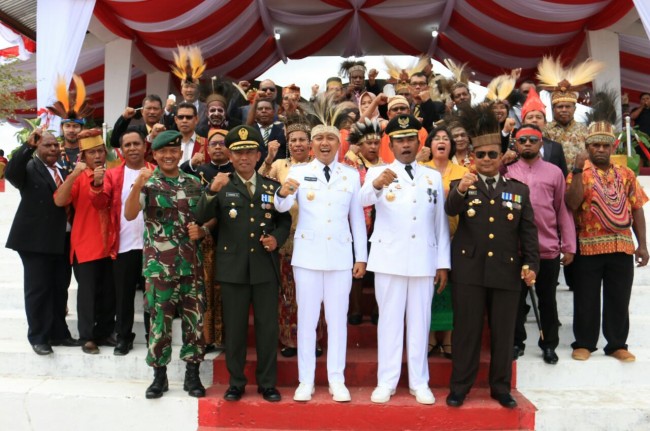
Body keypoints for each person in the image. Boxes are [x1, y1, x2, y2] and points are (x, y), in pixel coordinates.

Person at [445, 105, 539, 409]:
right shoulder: (461, 185)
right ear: (473, 157)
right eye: (481, 155)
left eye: (492, 154)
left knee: (503, 333)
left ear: (501, 157)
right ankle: (460, 387)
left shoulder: (519, 191)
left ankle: (501, 388)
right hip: (469, 271)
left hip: (506, 270)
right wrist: (461, 189)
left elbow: (528, 232)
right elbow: (450, 209)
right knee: (466, 332)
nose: (486, 159)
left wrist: (531, 264)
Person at [197, 125, 291, 403]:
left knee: (267, 329)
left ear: (259, 155)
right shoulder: (222, 185)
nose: (244, 158)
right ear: (230, 155)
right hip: (233, 269)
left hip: (264, 267)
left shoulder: (271, 187)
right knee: (235, 330)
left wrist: (276, 239)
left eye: (250, 152)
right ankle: (236, 382)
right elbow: (200, 216)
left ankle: (267, 383)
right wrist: (211, 191)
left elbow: (283, 220)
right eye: (238, 153)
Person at [360, 115, 450, 405]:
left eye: (411, 139)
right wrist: (376, 185)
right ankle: (386, 381)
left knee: (420, 322)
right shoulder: (379, 171)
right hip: (389, 258)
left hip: (424, 258)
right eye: (400, 140)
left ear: (419, 142)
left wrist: (442, 262)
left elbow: (440, 223)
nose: (406, 144)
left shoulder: (432, 176)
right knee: (389, 322)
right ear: (391, 145)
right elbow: (362, 200)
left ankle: (419, 382)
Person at [275, 121, 367, 403]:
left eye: (330, 138)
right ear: (311, 145)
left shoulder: (350, 175)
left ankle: (336, 380)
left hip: (340, 256)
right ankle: (306, 380)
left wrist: (361, 257)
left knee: (337, 321)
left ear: (339, 143)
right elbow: (281, 207)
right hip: (308, 257)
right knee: (306, 320)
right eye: (319, 138)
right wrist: (282, 193)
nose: (324, 143)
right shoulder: (299, 172)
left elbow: (357, 218)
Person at [124, 130, 208, 399]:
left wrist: (203, 230)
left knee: (195, 322)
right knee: (159, 322)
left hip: (191, 266)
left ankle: (192, 375)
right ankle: (159, 376)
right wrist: (138, 185)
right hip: (159, 267)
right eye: (163, 152)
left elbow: (208, 216)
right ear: (155, 155)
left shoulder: (194, 183)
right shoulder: (148, 182)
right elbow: (129, 213)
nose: (169, 156)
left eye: (173, 151)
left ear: (180, 153)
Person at [565, 119, 648, 362]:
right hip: (587, 246)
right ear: (587, 148)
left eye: (605, 145)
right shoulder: (578, 173)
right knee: (586, 298)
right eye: (595, 145)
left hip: (622, 246)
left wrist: (642, 245)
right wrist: (577, 170)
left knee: (619, 298)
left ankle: (617, 345)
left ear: (613, 147)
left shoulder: (626, 173)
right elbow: (572, 203)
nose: (600, 149)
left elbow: (637, 208)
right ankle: (584, 344)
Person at [505, 124, 576, 364]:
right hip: (515, 249)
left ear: (541, 144)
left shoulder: (554, 172)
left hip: (547, 248)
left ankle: (549, 345)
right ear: (516, 143)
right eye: (522, 140)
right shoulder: (507, 171)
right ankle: (516, 343)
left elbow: (562, 209)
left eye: (532, 140)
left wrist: (568, 245)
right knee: (515, 300)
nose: (527, 144)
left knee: (547, 300)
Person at [258, 118, 326, 358]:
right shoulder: (279, 165)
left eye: (302, 140)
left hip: (315, 238)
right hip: (287, 237)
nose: (298, 144)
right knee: (288, 293)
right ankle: (289, 339)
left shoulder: (319, 166)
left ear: (310, 144)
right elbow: (260, 182)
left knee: (314, 293)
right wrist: (268, 158)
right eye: (293, 140)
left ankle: (314, 339)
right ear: (288, 143)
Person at [5, 130, 77, 355]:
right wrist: (27, 146)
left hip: (63, 239)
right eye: (47, 145)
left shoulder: (63, 170)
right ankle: (38, 337)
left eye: (56, 145)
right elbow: (11, 172)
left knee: (59, 288)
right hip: (36, 241)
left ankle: (59, 333)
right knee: (39, 290)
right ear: (37, 147)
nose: (53, 149)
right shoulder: (28, 168)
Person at [91, 127, 156, 355]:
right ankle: (123, 337)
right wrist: (97, 185)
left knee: (152, 295)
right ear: (121, 150)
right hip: (124, 244)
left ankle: (153, 336)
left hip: (153, 246)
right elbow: (100, 204)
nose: (132, 148)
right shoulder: (112, 174)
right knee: (124, 295)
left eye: (136, 143)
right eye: (127, 145)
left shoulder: (155, 171)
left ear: (145, 146)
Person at [53, 129, 116, 355]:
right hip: (85, 244)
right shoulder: (79, 177)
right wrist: (73, 174)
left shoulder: (113, 174)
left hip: (111, 243)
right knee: (87, 294)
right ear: (83, 156)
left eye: (100, 151)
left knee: (109, 292)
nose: (97, 156)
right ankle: (87, 336)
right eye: (91, 152)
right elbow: (59, 201)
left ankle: (105, 332)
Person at [421, 126, 468, 359]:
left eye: (445, 139)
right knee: (428, 288)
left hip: (456, 238)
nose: (441, 141)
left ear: (452, 145)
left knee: (451, 290)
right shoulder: (420, 169)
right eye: (436, 138)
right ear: (430, 145)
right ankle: (430, 336)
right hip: (425, 239)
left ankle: (448, 337)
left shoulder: (463, 171)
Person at [343, 119, 384, 326]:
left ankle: (378, 309)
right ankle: (356, 309)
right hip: (355, 221)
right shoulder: (350, 166)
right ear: (360, 145)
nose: (373, 147)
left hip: (381, 222)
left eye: (376, 143)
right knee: (356, 266)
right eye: (369, 143)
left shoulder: (386, 167)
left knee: (378, 267)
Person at [519, 88, 568, 176]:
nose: (534, 120)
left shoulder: (556, 147)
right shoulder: (516, 147)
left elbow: (563, 177)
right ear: (523, 123)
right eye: (530, 117)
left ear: (545, 123)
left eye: (538, 117)